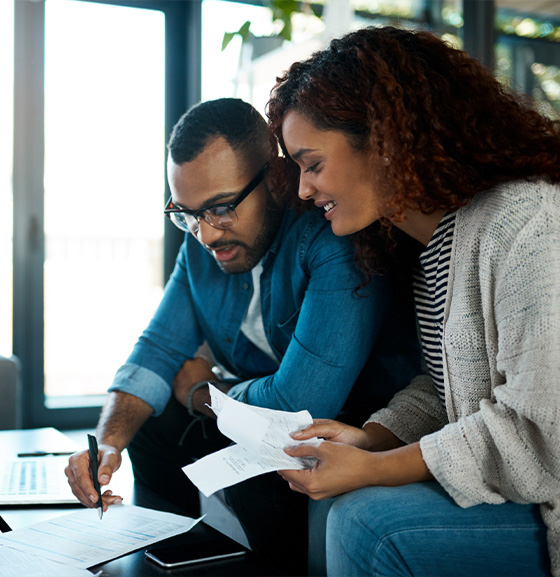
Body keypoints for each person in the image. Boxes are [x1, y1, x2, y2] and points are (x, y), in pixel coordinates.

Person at [64, 98, 420, 572]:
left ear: (274, 179)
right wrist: (107, 442)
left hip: (343, 423)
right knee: (148, 423)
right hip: (254, 413)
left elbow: (300, 400)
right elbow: (157, 350)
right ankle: (167, 557)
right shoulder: (200, 247)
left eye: (221, 207)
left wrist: (201, 392)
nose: (206, 235)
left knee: (264, 462)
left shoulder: (331, 237)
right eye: (187, 214)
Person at [265, 26, 560, 577]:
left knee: (366, 522)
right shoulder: (435, 246)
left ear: (383, 141)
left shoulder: (528, 225)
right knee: (327, 502)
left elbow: (539, 431)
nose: (303, 190)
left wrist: (374, 469)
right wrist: (370, 439)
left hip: (551, 497)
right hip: (519, 487)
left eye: (312, 163)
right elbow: (448, 386)